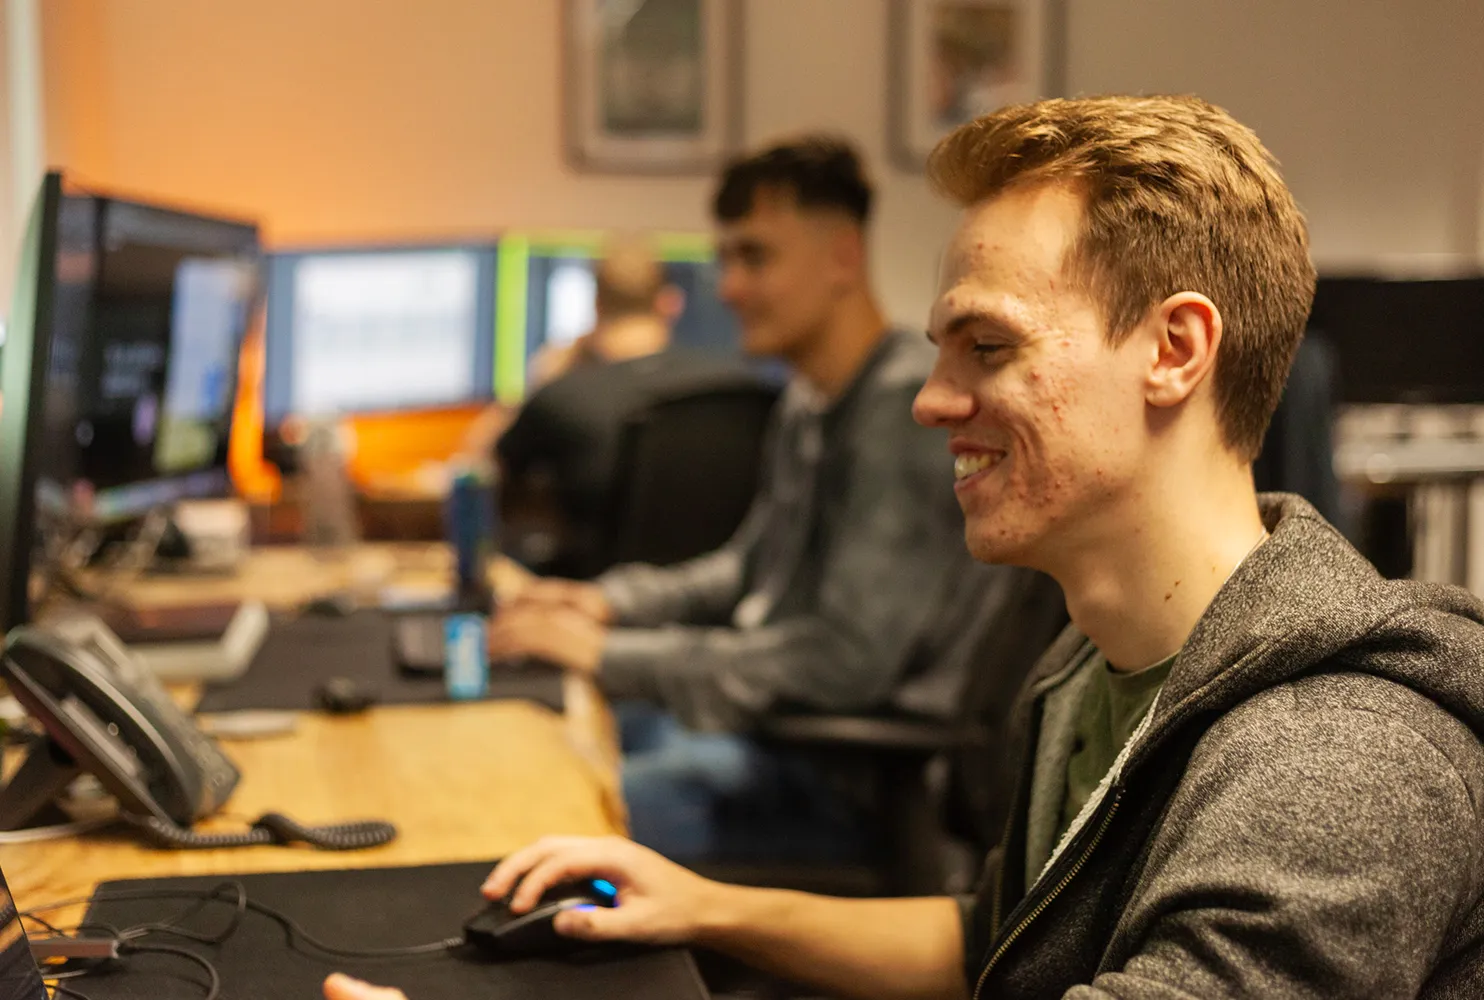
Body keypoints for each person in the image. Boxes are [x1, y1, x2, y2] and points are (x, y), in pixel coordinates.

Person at [330, 93, 1484, 999]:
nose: (930, 401)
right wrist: (706, 904)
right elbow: (995, 940)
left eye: (986, 345)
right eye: (940, 349)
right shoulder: (1088, 670)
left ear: (1171, 351)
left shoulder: (1330, 768)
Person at [489, 135, 1025, 863]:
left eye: (754, 257)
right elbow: (748, 570)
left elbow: (844, 661)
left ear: (841, 258)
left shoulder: (901, 415)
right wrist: (607, 605)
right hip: (767, 732)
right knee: (531, 735)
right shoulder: (808, 399)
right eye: (726, 260)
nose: (729, 286)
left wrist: (610, 655)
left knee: (545, 811)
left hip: (838, 787)